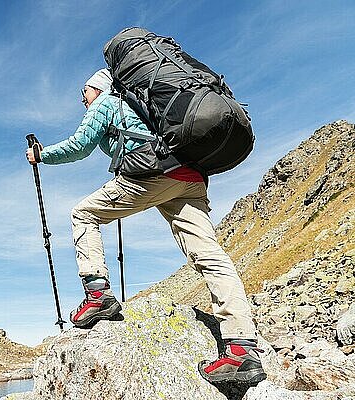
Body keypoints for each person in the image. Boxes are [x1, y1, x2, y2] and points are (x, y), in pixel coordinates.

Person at [25, 69, 266, 384]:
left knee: (83, 214)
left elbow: (80, 146)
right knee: (209, 254)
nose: (82, 99)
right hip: (190, 178)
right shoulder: (147, 107)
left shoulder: (107, 102)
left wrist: (42, 155)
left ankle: (97, 294)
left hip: (153, 174)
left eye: (83, 92)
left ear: (96, 88)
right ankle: (241, 349)